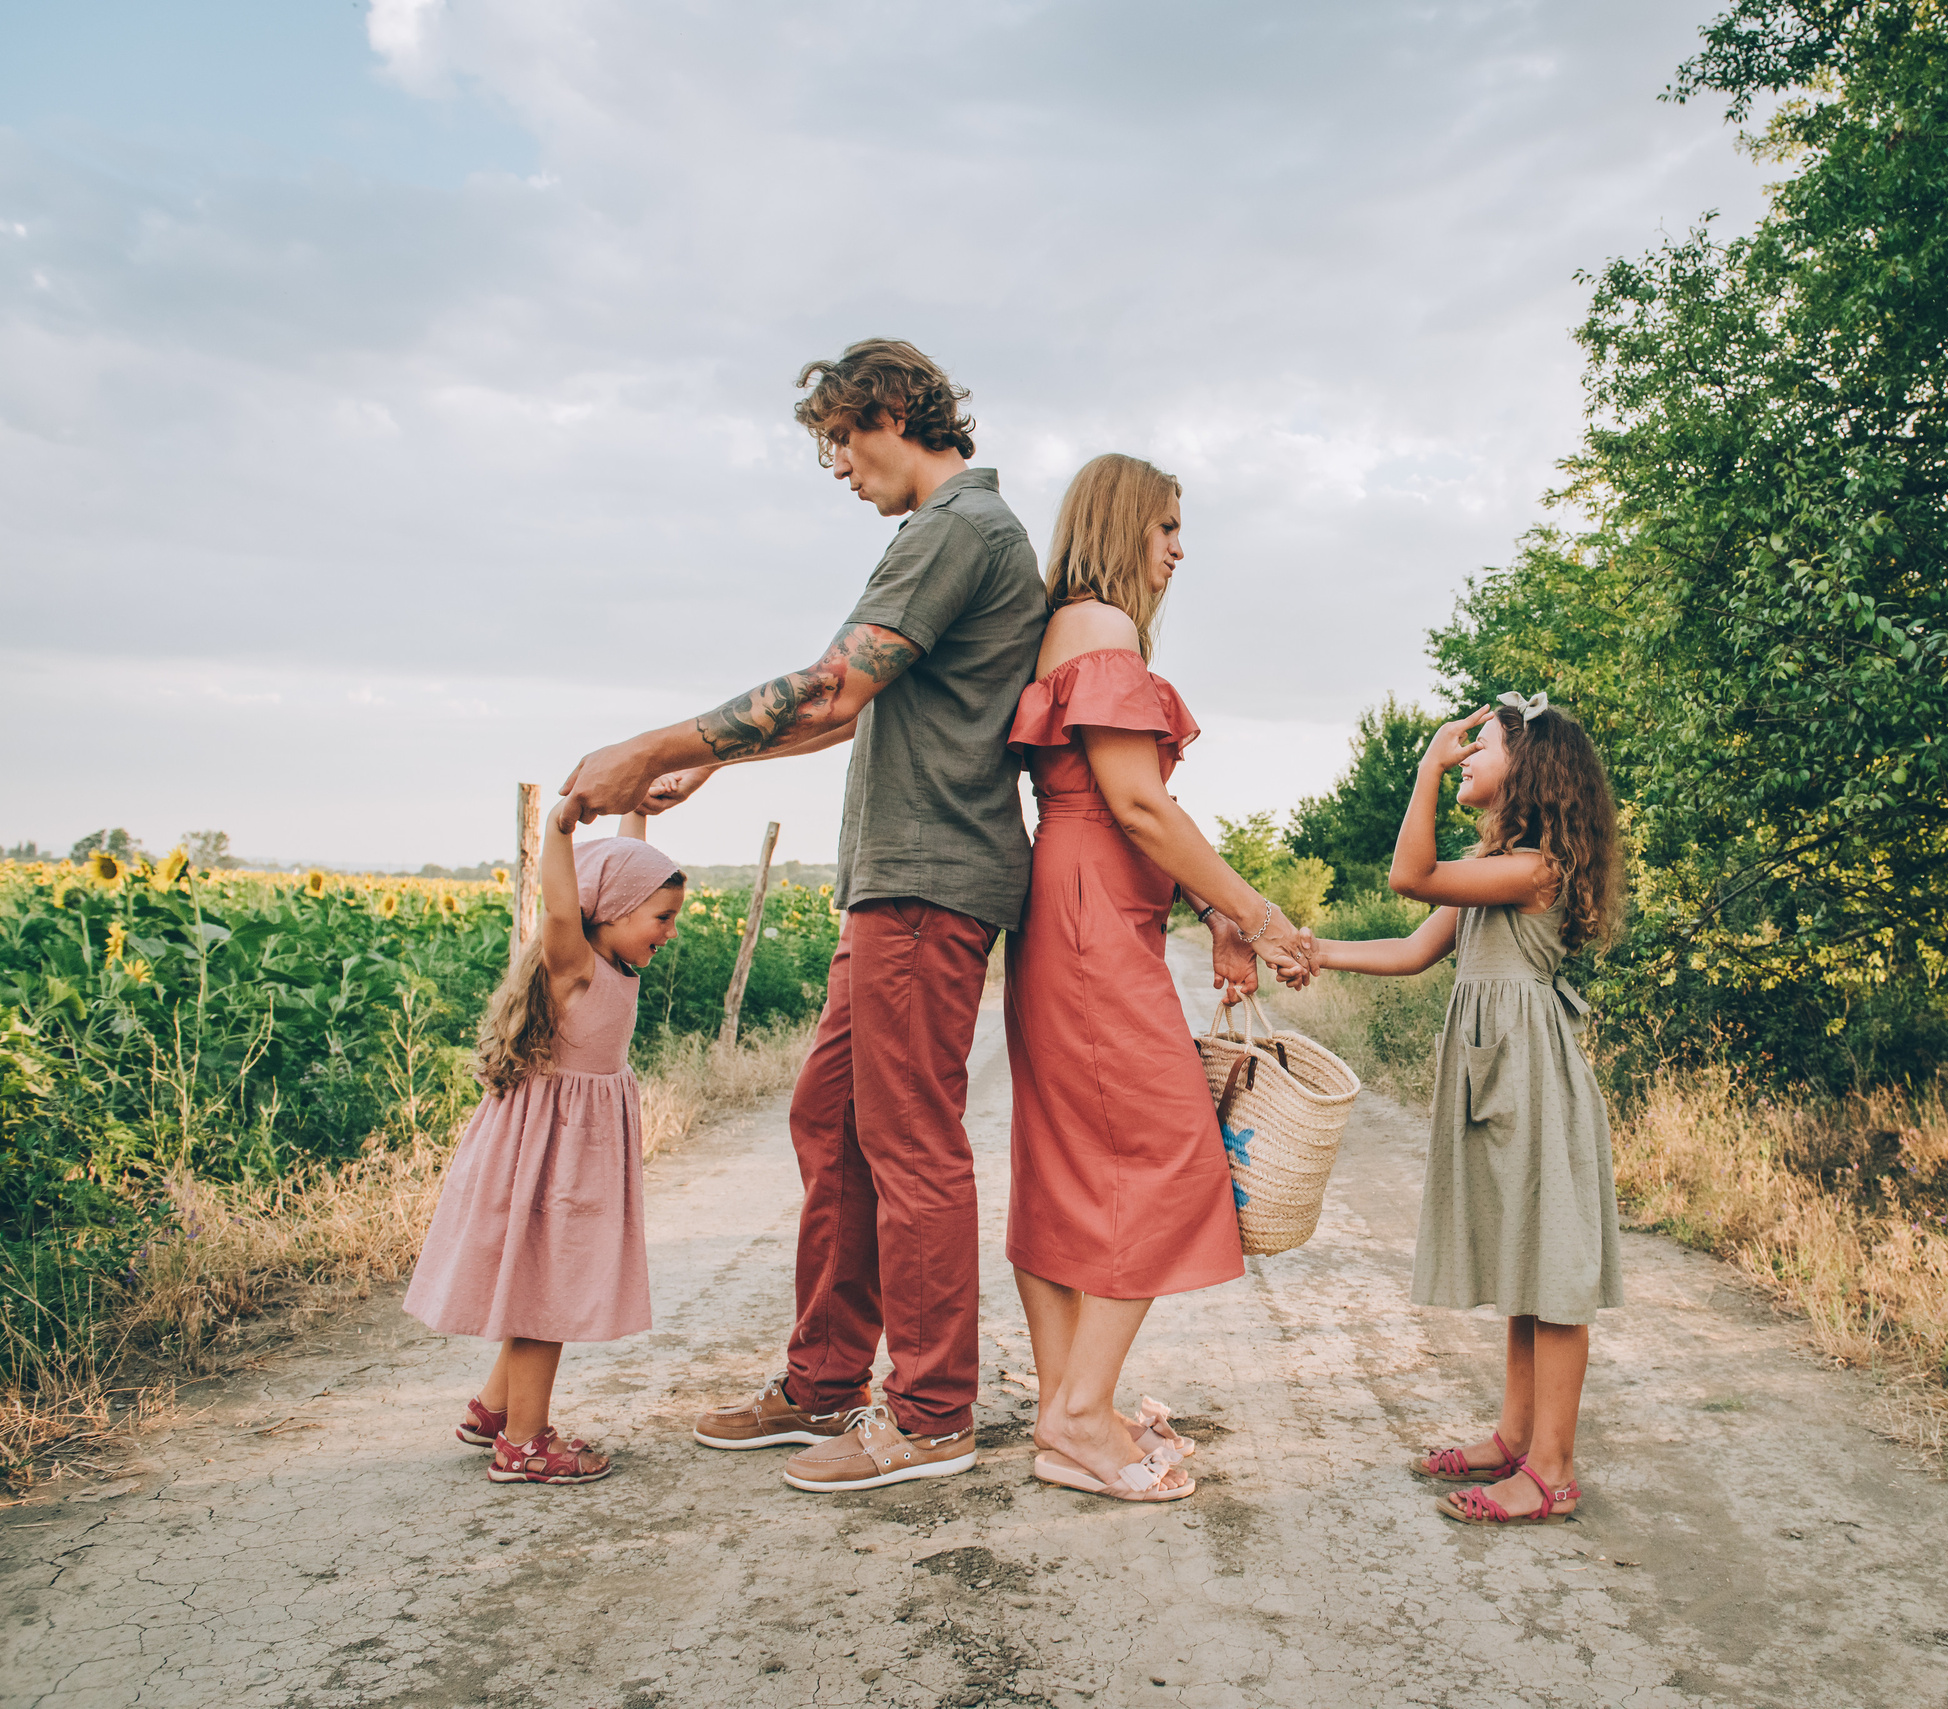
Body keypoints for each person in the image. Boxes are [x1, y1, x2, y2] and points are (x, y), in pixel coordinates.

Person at [553, 339, 1045, 1492]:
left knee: (909, 1142)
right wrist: (715, 770)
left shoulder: (957, 529)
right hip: (893, 880)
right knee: (830, 1121)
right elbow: (848, 707)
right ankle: (824, 1383)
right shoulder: (948, 536)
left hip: (928, 879)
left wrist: (652, 744)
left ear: (883, 410)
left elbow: (832, 682)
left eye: (835, 439)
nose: (834, 467)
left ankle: (928, 1417)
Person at [1003, 453, 1315, 1502]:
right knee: (1176, 1152)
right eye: (1168, 525)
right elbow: (1137, 807)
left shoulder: (1070, 628)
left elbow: (1117, 805)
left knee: (1062, 1166)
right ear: (1125, 521)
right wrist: (1255, 913)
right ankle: (1084, 1415)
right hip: (1092, 919)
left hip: (1075, 910)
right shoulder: (1104, 629)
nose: (1180, 547)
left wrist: (1206, 907)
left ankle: (1065, 1415)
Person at [1310, 691, 1625, 1524]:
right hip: (1499, 1082)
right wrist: (1315, 951)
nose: (1462, 754)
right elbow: (1414, 949)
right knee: (1524, 1262)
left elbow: (1407, 877)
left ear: (1531, 770)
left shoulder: (1533, 869)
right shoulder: (1494, 869)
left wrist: (1424, 769)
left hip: (1533, 1083)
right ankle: (1516, 1435)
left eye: (1479, 746)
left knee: (1552, 1268)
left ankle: (1550, 1468)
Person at [404, 810, 685, 1485]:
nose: (670, 931)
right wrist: (559, 826)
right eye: (663, 917)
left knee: (539, 1270)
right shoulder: (575, 963)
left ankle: (496, 1409)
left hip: (567, 1147)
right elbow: (565, 900)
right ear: (611, 911)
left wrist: (636, 801)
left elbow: (624, 862)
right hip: (550, 1151)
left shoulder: (613, 953)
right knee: (546, 1283)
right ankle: (525, 1445)